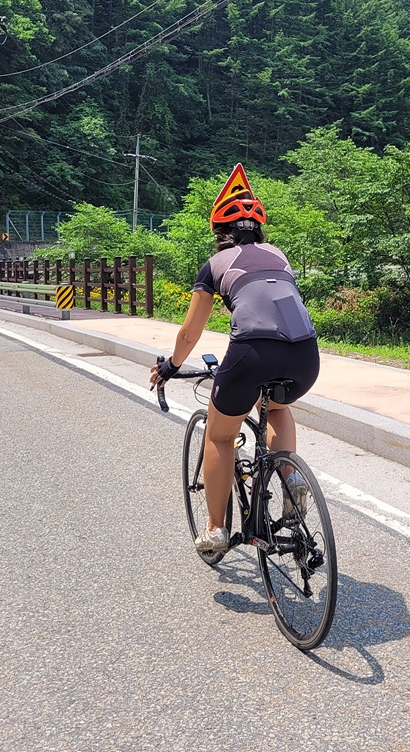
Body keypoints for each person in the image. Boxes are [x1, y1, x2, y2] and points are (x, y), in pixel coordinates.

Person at [149, 164, 320, 552]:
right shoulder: (278, 256)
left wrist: (170, 367)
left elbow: (189, 333)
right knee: (277, 409)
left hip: (253, 354)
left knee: (220, 435)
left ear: (219, 233)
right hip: (305, 354)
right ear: (258, 230)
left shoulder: (214, 266)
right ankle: (291, 478)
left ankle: (215, 530)